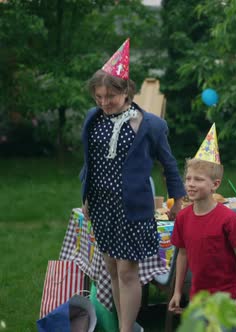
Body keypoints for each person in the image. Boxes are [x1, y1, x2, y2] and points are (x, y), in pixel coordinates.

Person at [80, 38, 186, 332]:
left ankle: (127, 329)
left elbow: (169, 164)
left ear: (127, 90)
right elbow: (91, 163)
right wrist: (87, 198)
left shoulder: (149, 124)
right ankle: (123, 326)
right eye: (98, 96)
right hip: (102, 207)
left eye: (110, 96)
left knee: (128, 271)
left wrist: (177, 200)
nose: (103, 102)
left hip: (132, 210)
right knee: (112, 268)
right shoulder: (93, 119)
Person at [168, 124, 236, 318]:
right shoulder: (183, 217)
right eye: (188, 178)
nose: (190, 184)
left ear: (215, 185)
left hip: (229, 295)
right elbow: (182, 254)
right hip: (199, 295)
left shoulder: (229, 219)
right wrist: (177, 291)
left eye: (198, 179)